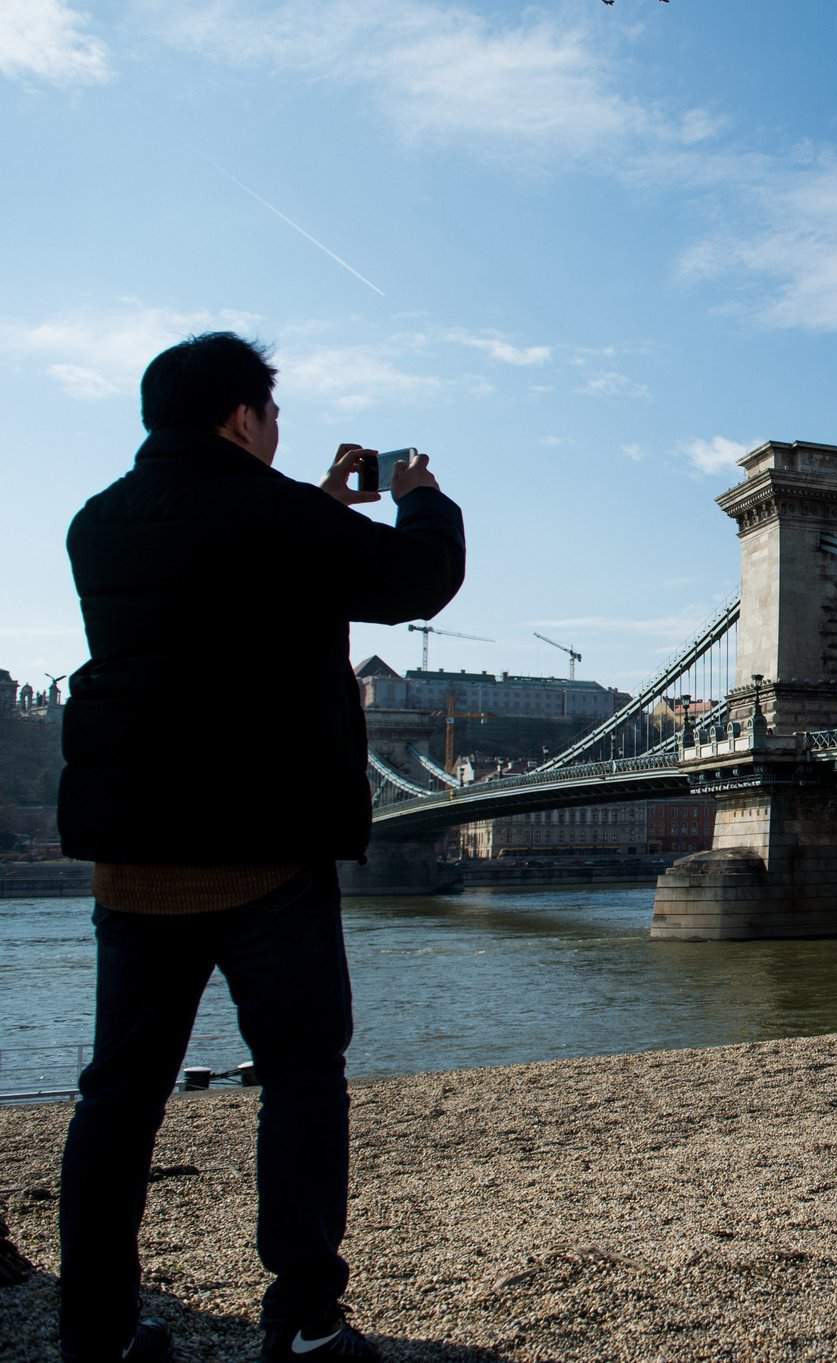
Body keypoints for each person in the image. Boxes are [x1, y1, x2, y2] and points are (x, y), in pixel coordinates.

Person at [57, 333, 466, 1363]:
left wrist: (314, 505)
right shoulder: (278, 517)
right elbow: (416, 580)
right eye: (272, 416)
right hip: (264, 856)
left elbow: (215, 584)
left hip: (134, 857)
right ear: (243, 417)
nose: (277, 432)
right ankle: (306, 1321)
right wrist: (418, 496)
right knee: (301, 1080)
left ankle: (97, 1332)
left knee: (117, 1098)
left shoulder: (96, 523)